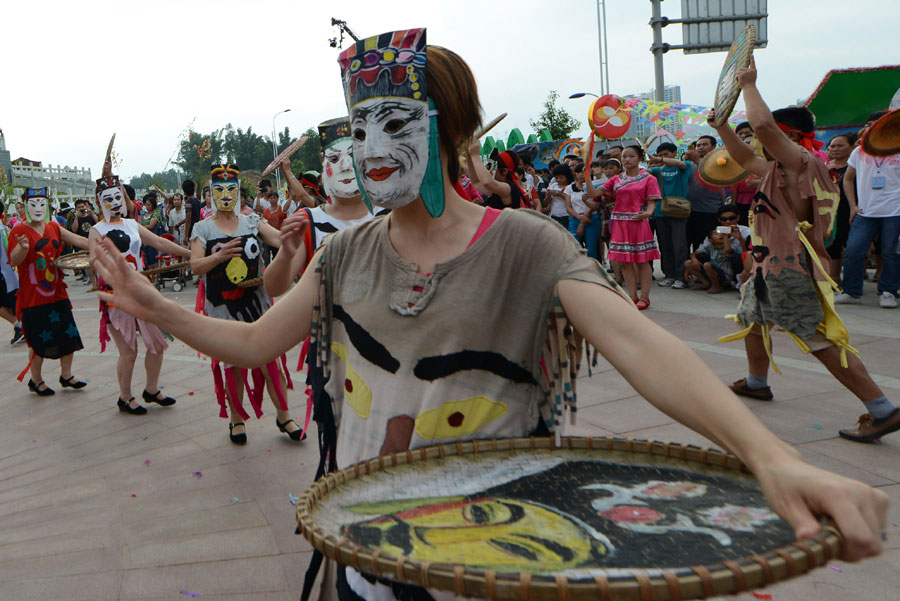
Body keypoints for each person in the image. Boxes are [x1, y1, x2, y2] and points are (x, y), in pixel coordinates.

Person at [91, 31, 889, 601]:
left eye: (396, 123)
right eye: (360, 126)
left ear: (454, 131)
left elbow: (639, 341)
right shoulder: (344, 254)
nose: (372, 147)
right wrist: (155, 303)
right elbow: (254, 339)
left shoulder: (527, 246)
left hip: (493, 559)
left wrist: (768, 454)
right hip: (366, 551)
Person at [708, 57, 899, 443]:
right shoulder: (779, 168)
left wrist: (747, 84)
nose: (760, 139)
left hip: (788, 268)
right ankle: (757, 382)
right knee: (752, 320)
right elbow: (744, 158)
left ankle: (882, 409)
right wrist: (721, 126)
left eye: (771, 134)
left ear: (790, 137)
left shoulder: (801, 161)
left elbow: (761, 125)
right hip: (768, 268)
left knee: (818, 339)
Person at [188, 163, 301, 444]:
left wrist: (292, 236)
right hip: (222, 306)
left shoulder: (251, 221)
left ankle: (284, 415)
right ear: (210, 194)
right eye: (219, 190)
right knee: (233, 363)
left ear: (239, 192)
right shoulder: (202, 227)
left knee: (268, 358)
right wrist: (219, 256)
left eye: (231, 189)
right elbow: (195, 266)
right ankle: (236, 419)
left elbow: (276, 239)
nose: (225, 195)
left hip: (256, 302)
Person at [89, 175, 190, 414]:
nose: (114, 202)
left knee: (157, 343)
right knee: (129, 351)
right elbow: (94, 260)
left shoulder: (132, 224)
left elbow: (159, 243)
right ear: (99, 201)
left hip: (142, 292)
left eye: (118, 196)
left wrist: (189, 253)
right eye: (108, 198)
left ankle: (152, 389)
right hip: (116, 296)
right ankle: (125, 397)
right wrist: (106, 266)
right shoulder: (97, 230)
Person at [265, 116, 388, 298]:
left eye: (353, 156)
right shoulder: (308, 222)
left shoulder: (391, 213)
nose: (346, 166)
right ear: (324, 164)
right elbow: (274, 288)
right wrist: (285, 255)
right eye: (335, 158)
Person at [7, 187, 89, 395]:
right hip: (33, 296)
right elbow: (13, 261)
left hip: (57, 292)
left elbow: (77, 240)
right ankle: (36, 380)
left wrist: (102, 243)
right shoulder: (18, 231)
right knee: (37, 340)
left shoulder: (53, 226)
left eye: (41, 203)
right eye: (32, 203)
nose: (37, 207)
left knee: (68, 333)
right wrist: (23, 248)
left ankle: (67, 375)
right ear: (25, 204)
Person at [833, 111, 900, 309]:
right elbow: (848, 178)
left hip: (894, 211)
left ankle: (888, 291)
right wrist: (853, 205)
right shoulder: (858, 152)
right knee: (854, 250)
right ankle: (851, 292)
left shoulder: (897, 150)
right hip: (865, 212)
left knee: (891, 253)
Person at [586, 145, 660, 309]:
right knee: (625, 261)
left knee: (642, 261)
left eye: (631, 156)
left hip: (639, 221)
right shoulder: (616, 179)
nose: (626, 159)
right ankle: (632, 296)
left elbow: (651, 201)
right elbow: (594, 194)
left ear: (640, 158)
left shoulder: (649, 178)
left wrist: (648, 213)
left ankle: (645, 296)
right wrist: (586, 175)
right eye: (624, 156)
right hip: (619, 222)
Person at [648, 142, 691, 289]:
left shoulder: (684, 166)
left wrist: (658, 160)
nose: (662, 158)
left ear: (674, 153)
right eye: (660, 155)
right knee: (665, 245)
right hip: (660, 212)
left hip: (679, 211)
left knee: (679, 245)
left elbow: (680, 164)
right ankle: (669, 275)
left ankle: (681, 277)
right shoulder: (656, 170)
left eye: (666, 155)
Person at [684, 135, 728, 251]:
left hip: (709, 210)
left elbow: (713, 176)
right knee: (689, 243)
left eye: (704, 144)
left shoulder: (719, 161)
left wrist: (698, 161)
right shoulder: (690, 164)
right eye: (698, 145)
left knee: (706, 245)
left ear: (713, 146)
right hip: (690, 211)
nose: (700, 148)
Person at [824, 133, 856, 280]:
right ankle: (834, 278)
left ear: (852, 147)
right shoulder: (824, 167)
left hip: (849, 209)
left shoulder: (855, 167)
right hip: (829, 210)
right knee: (832, 244)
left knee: (852, 245)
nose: (835, 149)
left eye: (840, 145)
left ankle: (854, 278)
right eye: (832, 146)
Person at [684, 227, 744, 293]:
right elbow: (694, 253)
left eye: (721, 234)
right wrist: (694, 260)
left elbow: (728, 250)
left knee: (707, 265)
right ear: (710, 240)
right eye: (716, 234)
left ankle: (716, 286)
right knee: (688, 263)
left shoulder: (731, 245)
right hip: (711, 272)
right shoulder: (710, 247)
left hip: (724, 275)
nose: (720, 235)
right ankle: (706, 283)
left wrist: (725, 237)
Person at [565, 163, 602, 260]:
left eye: (583, 171)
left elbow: (594, 203)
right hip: (575, 218)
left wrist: (583, 221)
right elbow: (568, 207)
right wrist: (579, 218)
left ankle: (593, 271)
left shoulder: (594, 185)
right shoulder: (569, 188)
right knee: (573, 247)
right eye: (578, 172)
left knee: (592, 249)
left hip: (592, 218)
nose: (581, 174)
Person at [0, 204, 24, 344]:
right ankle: (19, 328)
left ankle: (19, 326)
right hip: (10, 272)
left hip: (3, 273)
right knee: (10, 304)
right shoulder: (4, 228)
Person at [139, 193, 166, 270]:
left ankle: (158, 276)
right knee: (148, 261)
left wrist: (140, 228)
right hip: (144, 240)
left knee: (154, 259)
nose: (147, 207)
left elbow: (151, 225)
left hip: (153, 239)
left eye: (149, 205)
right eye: (146, 205)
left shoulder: (156, 213)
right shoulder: (144, 214)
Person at [182, 180, 201, 246]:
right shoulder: (198, 202)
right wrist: (179, 224)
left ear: (184, 192)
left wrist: (186, 236)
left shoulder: (188, 203)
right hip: (198, 230)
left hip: (191, 232)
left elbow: (188, 218)